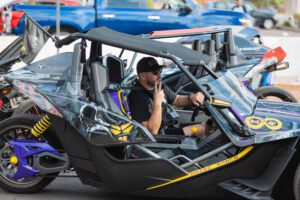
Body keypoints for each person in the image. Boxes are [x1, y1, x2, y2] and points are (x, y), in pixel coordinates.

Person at [129, 57, 207, 137]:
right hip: (159, 137)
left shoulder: (159, 85)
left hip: (168, 127)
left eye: (160, 71)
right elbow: (152, 131)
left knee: (205, 125)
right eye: (155, 72)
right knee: (199, 129)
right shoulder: (137, 97)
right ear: (143, 76)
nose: (160, 75)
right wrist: (157, 103)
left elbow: (177, 99)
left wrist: (191, 97)